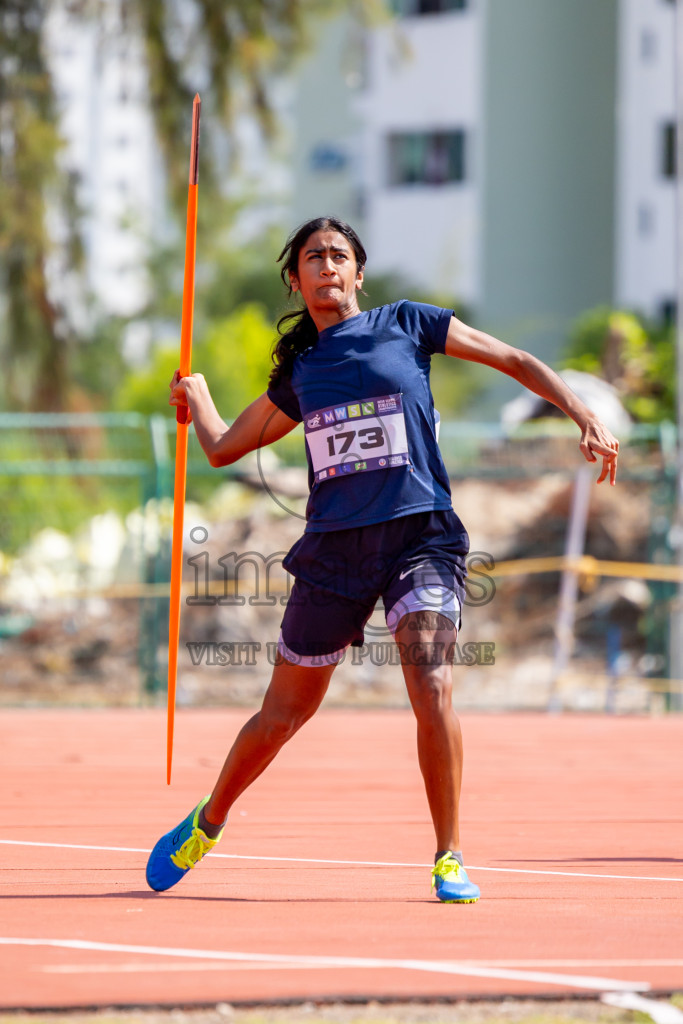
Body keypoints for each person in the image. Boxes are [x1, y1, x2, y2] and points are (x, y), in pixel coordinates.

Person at [145, 216, 619, 903]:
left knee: (430, 682)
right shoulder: (303, 372)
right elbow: (222, 448)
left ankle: (448, 855)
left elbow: (513, 360)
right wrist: (199, 398)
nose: (327, 265)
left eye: (339, 255)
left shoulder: (407, 324)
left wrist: (583, 413)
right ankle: (207, 821)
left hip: (418, 537)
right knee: (283, 714)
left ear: (358, 273)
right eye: (313, 257)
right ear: (295, 278)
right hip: (335, 551)